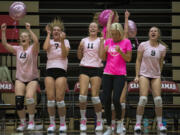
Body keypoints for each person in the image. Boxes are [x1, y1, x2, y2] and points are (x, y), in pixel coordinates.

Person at [1, 22, 39, 131]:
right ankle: (23, 123)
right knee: (18, 101)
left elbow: (36, 41)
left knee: (30, 98)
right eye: (21, 36)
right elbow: (5, 45)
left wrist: (29, 29)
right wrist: (3, 31)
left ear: (28, 39)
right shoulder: (17, 49)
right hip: (20, 79)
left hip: (32, 78)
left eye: (25, 36)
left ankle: (31, 121)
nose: (23, 37)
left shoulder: (32, 49)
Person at [96, 9, 130, 132]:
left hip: (120, 74)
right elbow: (102, 57)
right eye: (112, 33)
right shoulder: (108, 41)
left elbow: (128, 59)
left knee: (116, 99)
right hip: (107, 73)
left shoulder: (126, 41)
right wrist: (103, 49)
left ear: (120, 33)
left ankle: (120, 123)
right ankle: (109, 126)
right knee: (106, 100)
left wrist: (126, 18)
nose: (114, 36)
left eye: (116, 34)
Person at [134, 26, 167, 132]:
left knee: (158, 100)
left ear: (158, 34)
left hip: (156, 75)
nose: (153, 32)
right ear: (149, 34)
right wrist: (137, 75)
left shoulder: (162, 48)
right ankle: (138, 124)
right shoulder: (143, 45)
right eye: (151, 31)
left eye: (155, 31)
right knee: (143, 99)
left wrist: (159, 73)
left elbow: (161, 63)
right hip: (144, 74)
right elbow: (138, 60)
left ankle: (160, 124)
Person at [43, 18, 70, 132]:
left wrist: (62, 41)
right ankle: (52, 123)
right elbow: (44, 48)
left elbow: (64, 55)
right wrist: (48, 34)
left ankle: (63, 123)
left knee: (60, 99)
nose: (56, 31)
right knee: (50, 99)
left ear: (61, 32)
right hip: (50, 69)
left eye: (58, 30)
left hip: (61, 70)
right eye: (54, 30)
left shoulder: (66, 41)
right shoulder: (49, 41)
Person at [77, 22, 103, 131]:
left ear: (98, 30)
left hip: (96, 68)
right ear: (88, 29)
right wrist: (80, 49)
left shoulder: (100, 40)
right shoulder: (84, 40)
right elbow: (79, 56)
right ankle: (83, 119)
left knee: (95, 97)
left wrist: (102, 44)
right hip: (84, 67)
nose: (92, 28)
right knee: (82, 95)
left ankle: (99, 120)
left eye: (94, 27)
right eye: (90, 27)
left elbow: (102, 56)